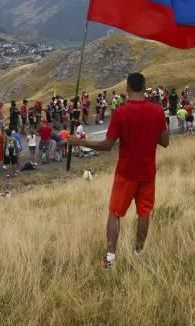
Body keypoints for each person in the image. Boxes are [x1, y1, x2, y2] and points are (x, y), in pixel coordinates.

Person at [70, 72, 169, 270]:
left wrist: (79, 142)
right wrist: (150, 133)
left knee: (115, 214)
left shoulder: (121, 112)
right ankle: (138, 253)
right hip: (148, 171)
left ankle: (109, 259)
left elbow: (107, 145)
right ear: (144, 86)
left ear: (128, 88)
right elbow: (165, 142)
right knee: (144, 212)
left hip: (125, 172)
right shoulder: (157, 111)